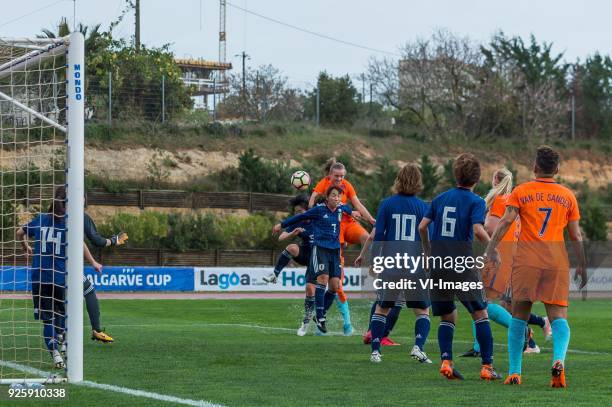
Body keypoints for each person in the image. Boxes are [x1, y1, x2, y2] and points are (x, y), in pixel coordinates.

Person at [485, 146, 586, 387]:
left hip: (527, 261)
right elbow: (576, 235)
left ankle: (515, 372)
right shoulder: (568, 195)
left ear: (535, 167)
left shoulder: (521, 191)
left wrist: (491, 247)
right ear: (557, 169)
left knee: (518, 316)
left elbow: (507, 221)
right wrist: (582, 263)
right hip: (556, 262)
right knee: (558, 316)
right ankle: (558, 361)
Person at [418, 153, 501, 381]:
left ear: (455, 174)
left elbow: (422, 227)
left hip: (438, 264)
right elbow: (477, 229)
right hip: (461, 264)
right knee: (480, 314)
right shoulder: (476, 202)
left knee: (448, 316)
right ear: (476, 178)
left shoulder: (440, 199)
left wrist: (427, 253)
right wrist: (492, 248)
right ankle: (487, 366)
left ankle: (446, 361)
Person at [462, 168, 550, 357]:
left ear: (495, 180)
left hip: (496, 257)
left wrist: (475, 226)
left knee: (482, 302)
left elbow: (491, 228)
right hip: (509, 257)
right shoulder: (511, 201)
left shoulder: (500, 201)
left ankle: (522, 330)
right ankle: (478, 347)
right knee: (482, 298)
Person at [16, 186, 105, 368]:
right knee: (63, 313)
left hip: (39, 278)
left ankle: (55, 354)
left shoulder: (40, 219)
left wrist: (25, 248)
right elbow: (80, 244)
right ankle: (64, 342)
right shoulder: (69, 224)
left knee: (47, 319)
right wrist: (94, 262)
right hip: (60, 277)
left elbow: (19, 233)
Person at [354, 163, 432, 363]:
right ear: (418, 182)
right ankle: (418, 347)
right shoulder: (423, 206)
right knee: (422, 310)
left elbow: (379, 235)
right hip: (413, 264)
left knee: (382, 308)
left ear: (398, 179)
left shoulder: (387, 204)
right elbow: (427, 238)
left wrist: (374, 261)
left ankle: (376, 351)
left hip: (391, 263)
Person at [273, 185, 361, 334]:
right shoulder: (319, 210)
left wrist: (355, 212)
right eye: (333, 195)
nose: (336, 198)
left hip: (334, 252)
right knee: (321, 280)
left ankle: (320, 315)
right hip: (320, 250)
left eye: (338, 196)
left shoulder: (342, 208)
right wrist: (281, 225)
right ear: (327, 197)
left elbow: (350, 211)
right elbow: (300, 217)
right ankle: (319, 318)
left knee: (335, 286)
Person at [309, 159, 376, 335]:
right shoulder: (322, 184)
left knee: (367, 237)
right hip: (334, 227)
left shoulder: (348, 185)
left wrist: (370, 219)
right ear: (330, 175)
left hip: (349, 223)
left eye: (342, 176)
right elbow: (312, 202)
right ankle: (332, 320)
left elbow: (358, 204)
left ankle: (370, 269)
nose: (339, 179)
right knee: (336, 284)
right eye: (336, 176)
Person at [262, 194, 317, 336]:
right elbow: (281, 238)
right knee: (292, 247)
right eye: (296, 212)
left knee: (310, 289)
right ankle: (275, 275)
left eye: (300, 212)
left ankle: (305, 322)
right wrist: (293, 232)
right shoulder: (298, 222)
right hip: (305, 253)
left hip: (318, 257)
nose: (297, 214)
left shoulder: (318, 218)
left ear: (308, 210)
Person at [82, 212, 128, 343]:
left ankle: (58, 335)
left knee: (58, 299)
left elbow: (21, 232)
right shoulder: (79, 216)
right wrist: (114, 240)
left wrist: (92, 262)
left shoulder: (46, 217)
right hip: (65, 266)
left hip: (43, 269)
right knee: (89, 291)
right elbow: (96, 240)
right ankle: (96, 330)